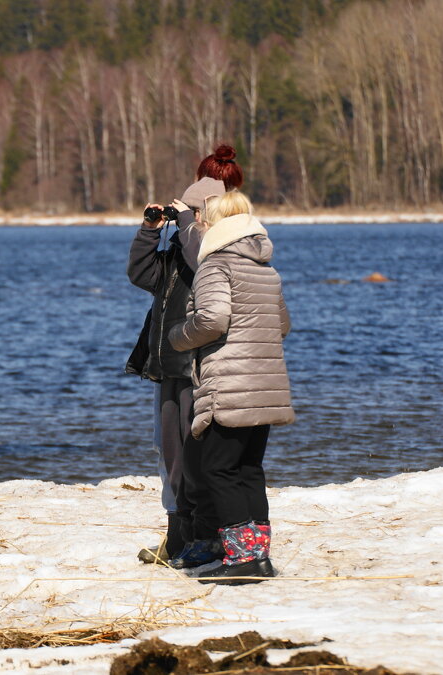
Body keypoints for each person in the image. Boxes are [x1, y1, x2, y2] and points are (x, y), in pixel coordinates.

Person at [166, 189, 294, 584]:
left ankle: (244, 558)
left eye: (202, 221)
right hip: (267, 383)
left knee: (218, 468)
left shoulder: (216, 265)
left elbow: (212, 320)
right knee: (248, 468)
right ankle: (257, 554)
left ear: (213, 225)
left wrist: (176, 335)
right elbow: (283, 325)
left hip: (229, 384)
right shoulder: (265, 267)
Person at [125, 145, 242, 567]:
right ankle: (178, 534)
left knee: (195, 457)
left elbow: (203, 257)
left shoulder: (216, 247)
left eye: (195, 208)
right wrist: (150, 229)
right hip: (169, 366)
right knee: (168, 453)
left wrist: (190, 221)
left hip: (199, 366)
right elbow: (141, 274)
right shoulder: (180, 249)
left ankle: (200, 535)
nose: (186, 215)